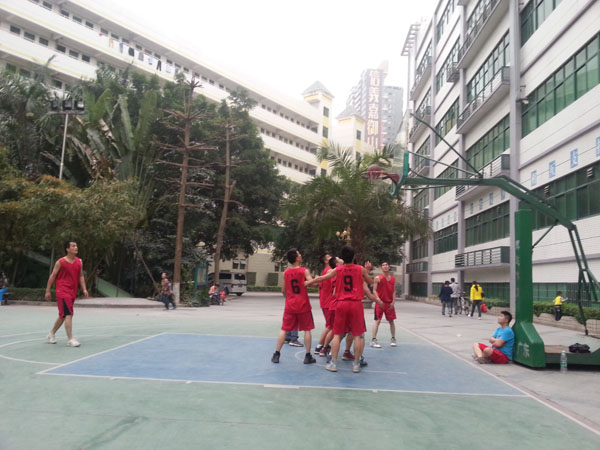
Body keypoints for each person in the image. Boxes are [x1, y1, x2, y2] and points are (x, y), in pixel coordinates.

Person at [307, 246, 383, 373]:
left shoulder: (338, 269)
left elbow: (322, 278)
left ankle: (333, 363)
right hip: (356, 304)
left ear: (343, 257)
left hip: (341, 304)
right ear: (354, 257)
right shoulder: (360, 269)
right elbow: (370, 281)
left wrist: (307, 283)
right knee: (357, 335)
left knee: (337, 334)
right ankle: (356, 364)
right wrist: (369, 274)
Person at [271, 248, 316, 365]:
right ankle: (308, 355)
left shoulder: (286, 272)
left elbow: (283, 290)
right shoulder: (304, 271)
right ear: (296, 258)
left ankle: (276, 354)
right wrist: (319, 279)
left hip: (290, 305)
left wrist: (289, 299)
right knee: (307, 330)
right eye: (299, 254)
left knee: (284, 329)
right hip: (303, 305)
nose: (301, 255)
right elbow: (312, 283)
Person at [45, 241, 88, 347]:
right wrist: (48, 290)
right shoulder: (60, 262)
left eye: (76, 245)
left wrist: (84, 289)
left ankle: (51, 334)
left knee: (63, 315)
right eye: (73, 246)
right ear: (67, 249)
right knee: (69, 314)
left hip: (72, 291)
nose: (76, 247)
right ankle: (70, 339)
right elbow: (53, 276)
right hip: (62, 291)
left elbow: (81, 276)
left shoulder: (79, 262)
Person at [370, 262, 397, 348]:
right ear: (381, 268)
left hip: (389, 304)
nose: (385, 266)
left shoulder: (393, 279)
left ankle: (393, 338)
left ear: (389, 267)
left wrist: (393, 302)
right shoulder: (377, 278)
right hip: (380, 303)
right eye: (383, 265)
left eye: (386, 265)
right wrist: (378, 299)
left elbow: (393, 291)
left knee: (391, 321)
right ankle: (373, 340)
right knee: (377, 321)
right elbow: (374, 290)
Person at [315, 253, 333, 355]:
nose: (332, 258)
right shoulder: (329, 271)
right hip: (328, 302)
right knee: (330, 326)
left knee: (329, 325)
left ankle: (324, 345)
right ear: (326, 261)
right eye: (329, 257)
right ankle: (320, 346)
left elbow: (318, 284)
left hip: (325, 301)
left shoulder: (325, 271)